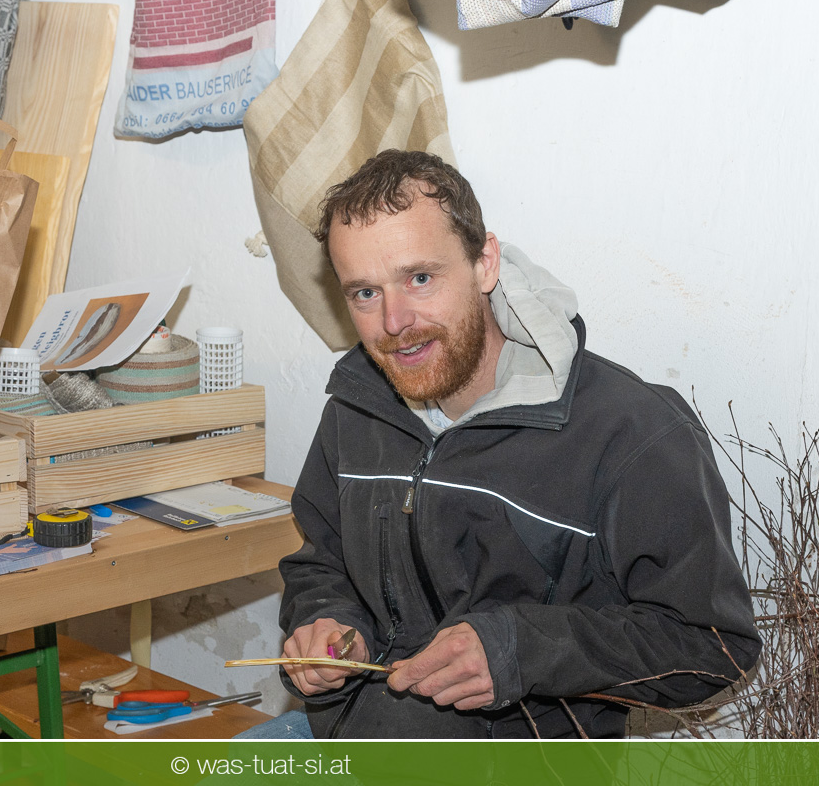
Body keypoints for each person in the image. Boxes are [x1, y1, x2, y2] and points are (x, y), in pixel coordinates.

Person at [248, 150, 760, 739]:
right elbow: (321, 561)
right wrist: (328, 624)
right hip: (354, 740)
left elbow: (711, 647)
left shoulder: (631, 432)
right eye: (365, 292)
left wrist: (524, 651)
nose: (394, 322)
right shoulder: (357, 403)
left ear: (485, 263)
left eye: (420, 278)